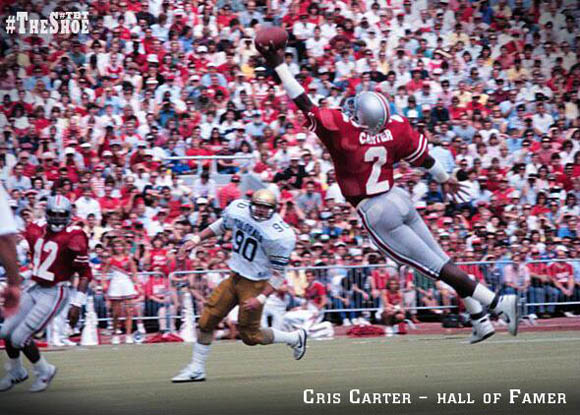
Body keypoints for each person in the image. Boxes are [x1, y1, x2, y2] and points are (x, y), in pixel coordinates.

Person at [258, 41, 519, 344]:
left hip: (376, 210)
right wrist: (444, 177)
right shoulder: (395, 125)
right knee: (441, 258)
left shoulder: (343, 131)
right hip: (398, 198)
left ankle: (498, 303)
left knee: (435, 267)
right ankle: (480, 320)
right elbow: (424, 158)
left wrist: (279, 65)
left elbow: (303, 101)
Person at [171, 189, 307, 383]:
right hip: (234, 276)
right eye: (258, 206)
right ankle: (196, 368)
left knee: (250, 336)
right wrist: (196, 239)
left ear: (274, 210)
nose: (260, 211)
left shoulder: (280, 234)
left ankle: (294, 338)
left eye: (265, 208)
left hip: (255, 283)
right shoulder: (239, 209)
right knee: (206, 321)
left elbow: (279, 274)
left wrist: (260, 298)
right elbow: (222, 225)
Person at [0, 196, 92, 392]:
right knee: (6, 332)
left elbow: (85, 273)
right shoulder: (35, 228)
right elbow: (29, 254)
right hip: (35, 286)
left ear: (69, 215)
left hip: (55, 290)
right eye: (53, 214)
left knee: (19, 338)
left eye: (62, 215)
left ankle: (45, 370)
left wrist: (77, 303)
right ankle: (17, 372)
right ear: (47, 213)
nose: (57, 219)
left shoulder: (75, 236)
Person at [101, 238, 140, 345]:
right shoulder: (110, 260)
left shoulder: (128, 259)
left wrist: (137, 284)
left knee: (129, 311)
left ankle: (128, 334)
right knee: (116, 312)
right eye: (116, 246)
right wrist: (104, 282)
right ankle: (115, 333)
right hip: (115, 284)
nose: (118, 248)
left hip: (126, 284)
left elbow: (134, 272)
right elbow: (103, 272)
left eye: (120, 246)